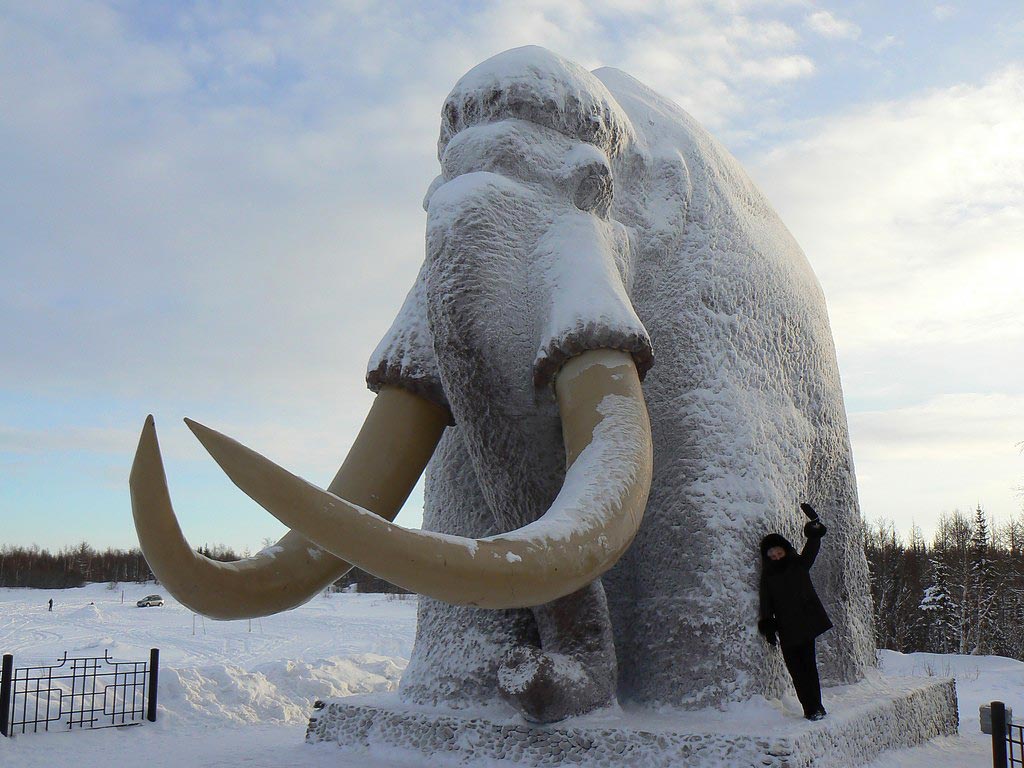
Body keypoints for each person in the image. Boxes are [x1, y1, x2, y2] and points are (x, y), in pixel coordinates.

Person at [758, 502, 832, 721]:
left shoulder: (798, 564)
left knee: (808, 668)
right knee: (797, 672)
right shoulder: (768, 576)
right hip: (787, 628)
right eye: (771, 553)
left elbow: (812, 545)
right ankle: (810, 707)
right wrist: (768, 625)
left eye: (778, 551)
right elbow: (766, 602)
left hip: (805, 625)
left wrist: (815, 525)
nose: (776, 556)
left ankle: (815, 708)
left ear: (785, 549)